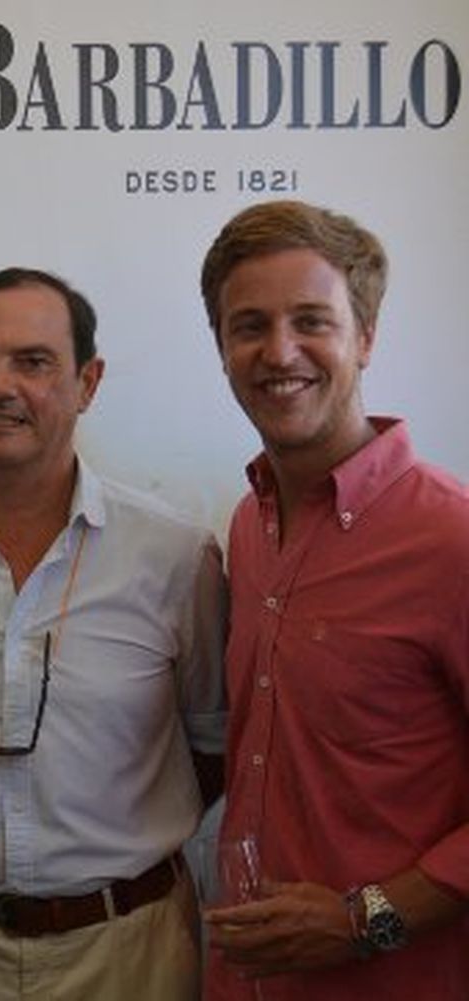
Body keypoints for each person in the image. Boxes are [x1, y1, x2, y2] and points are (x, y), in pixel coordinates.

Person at [0, 267, 227, 999]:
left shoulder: (175, 555)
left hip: (129, 948)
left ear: (87, 382)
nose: (0, 384)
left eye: (33, 361)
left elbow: (212, 745)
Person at [199, 201, 469, 999]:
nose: (279, 352)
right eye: (249, 325)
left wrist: (366, 918)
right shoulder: (250, 524)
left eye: (311, 320)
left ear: (367, 337)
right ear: (220, 348)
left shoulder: (450, 539)